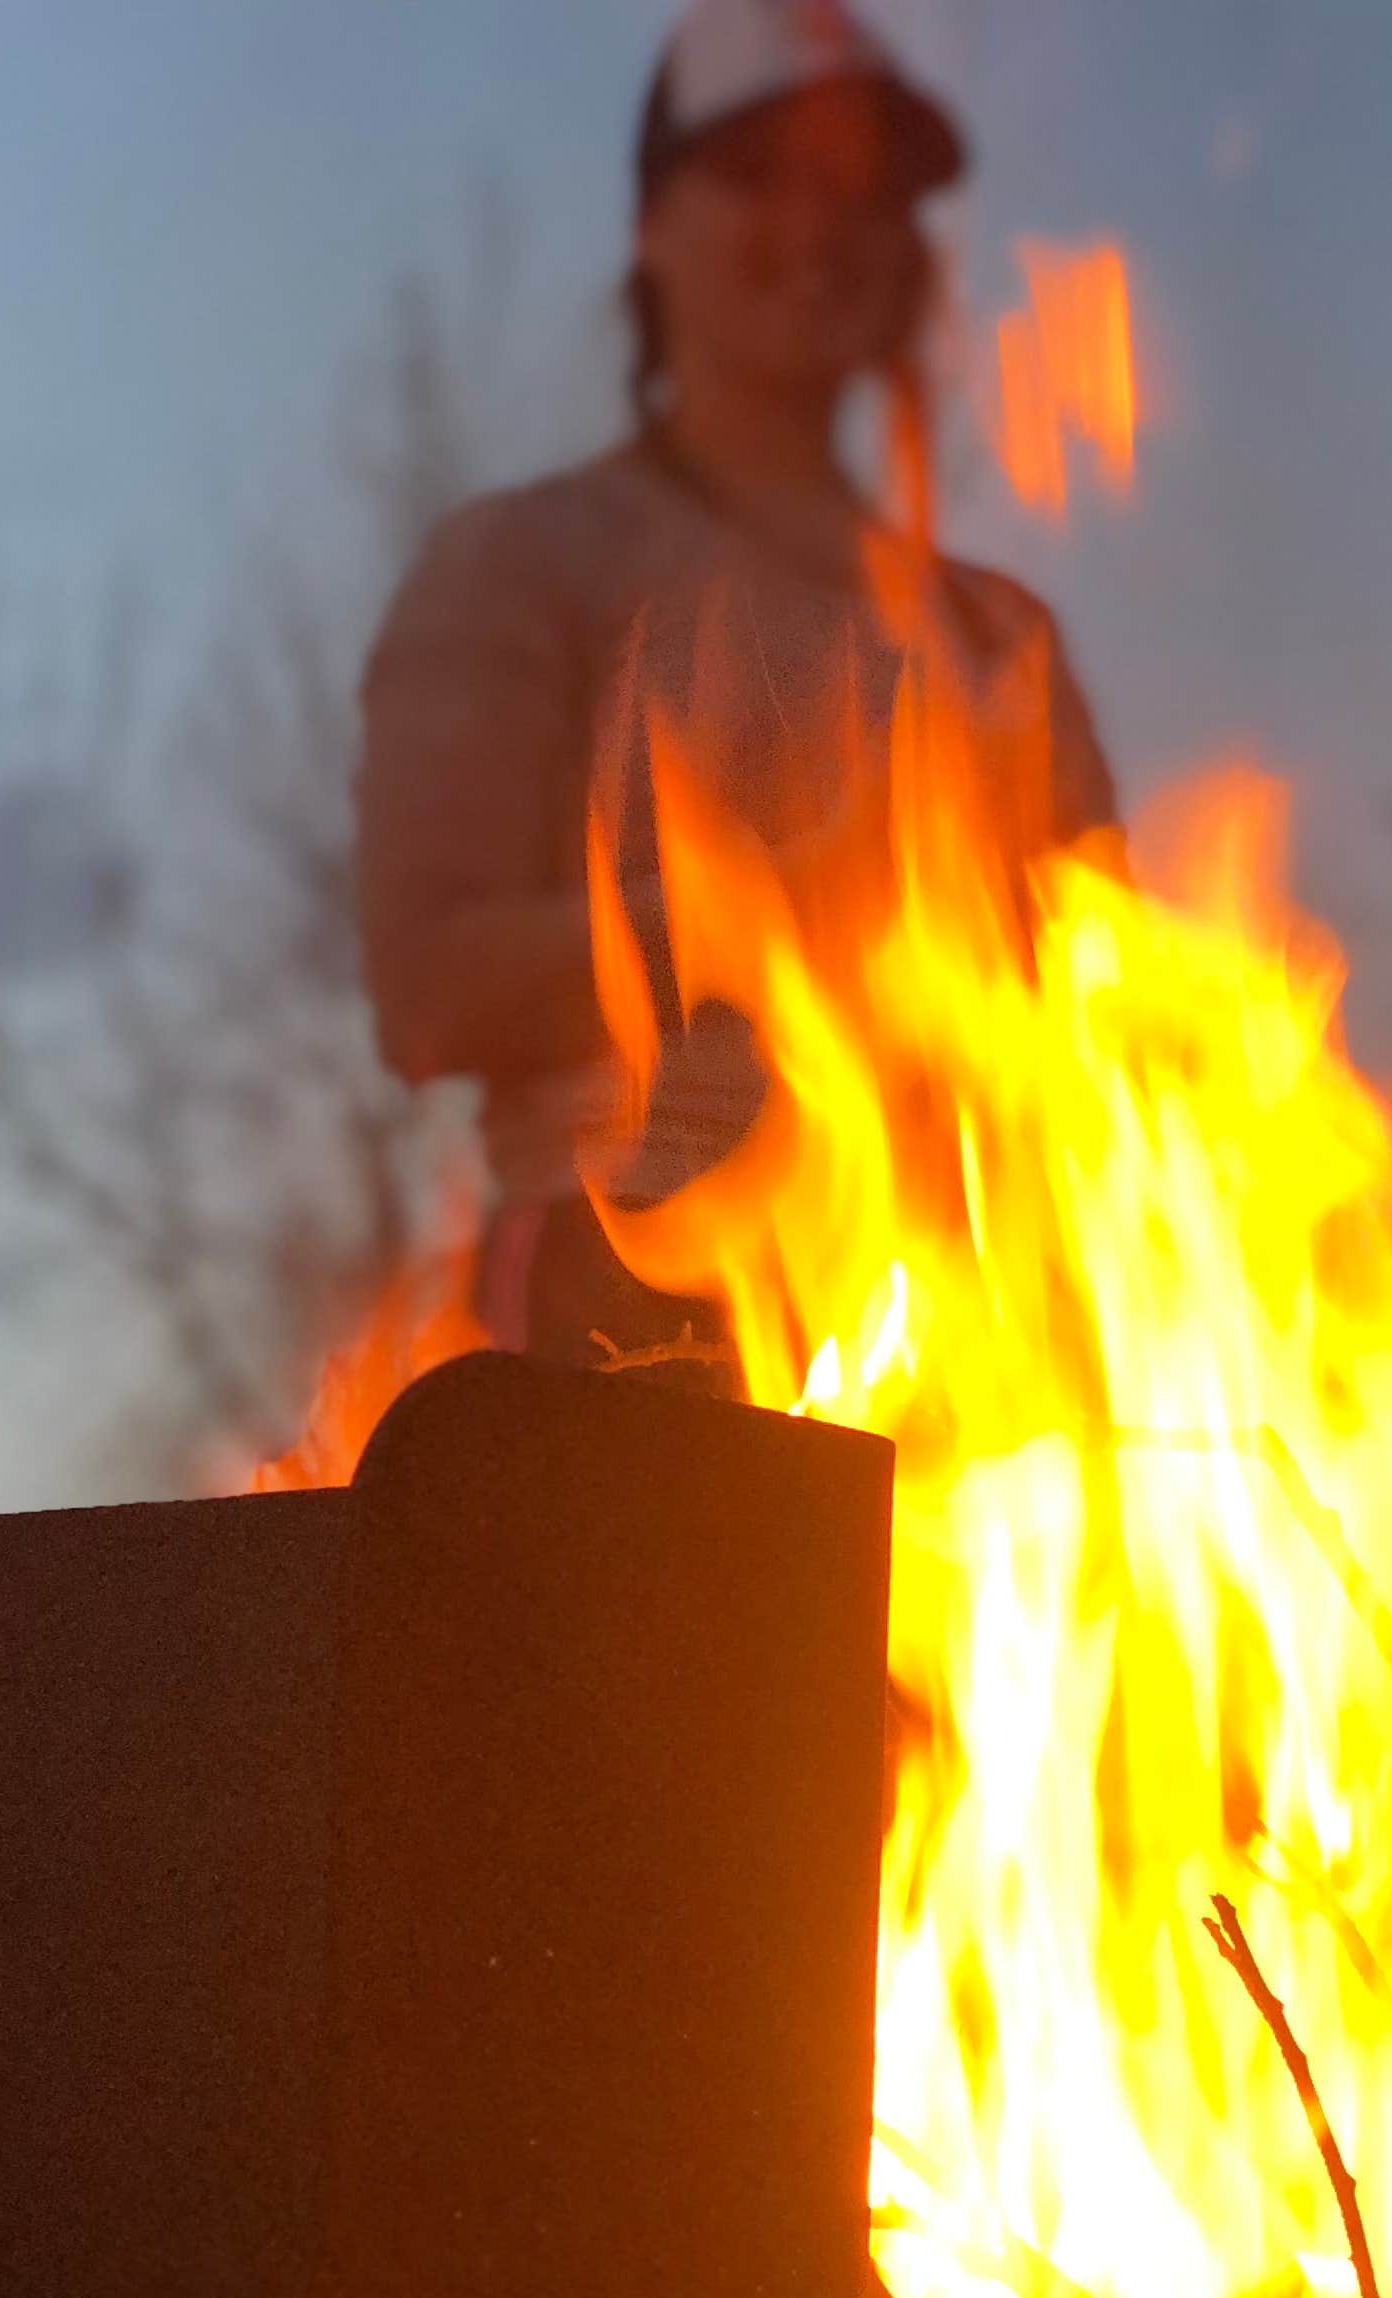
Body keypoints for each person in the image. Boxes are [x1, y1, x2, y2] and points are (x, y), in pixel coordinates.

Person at [355, 0, 1118, 1373]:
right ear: (653, 225)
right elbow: (429, 983)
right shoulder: (527, 560)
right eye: (758, 173)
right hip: (622, 1330)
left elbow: (1111, 1017)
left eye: (862, 190)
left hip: (980, 1341)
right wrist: (762, 922)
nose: (818, 224)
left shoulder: (1005, 640)